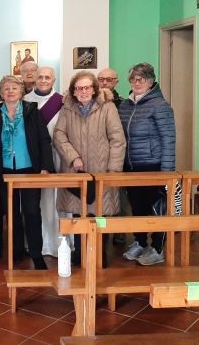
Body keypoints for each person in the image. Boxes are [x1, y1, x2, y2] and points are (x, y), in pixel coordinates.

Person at [0, 75, 54, 269]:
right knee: (11, 213)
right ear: (1, 93)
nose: (10, 91)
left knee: (31, 211)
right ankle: (16, 251)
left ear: (22, 92)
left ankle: (36, 253)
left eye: (14, 88)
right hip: (4, 170)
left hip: (30, 169)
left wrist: (46, 167)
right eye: (6, 88)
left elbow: (44, 140)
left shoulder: (32, 111)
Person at [54, 71, 126, 265]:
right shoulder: (67, 109)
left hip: (101, 171)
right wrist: (73, 157)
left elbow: (117, 140)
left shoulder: (107, 107)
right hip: (76, 171)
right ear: (74, 92)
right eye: (79, 88)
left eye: (87, 87)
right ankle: (79, 254)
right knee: (78, 213)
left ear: (94, 89)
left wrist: (113, 170)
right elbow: (59, 136)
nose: (83, 91)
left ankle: (99, 255)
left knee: (99, 214)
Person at [119, 62, 176, 266]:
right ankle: (140, 242)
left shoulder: (160, 105)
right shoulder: (125, 105)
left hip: (153, 165)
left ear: (150, 81)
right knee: (137, 206)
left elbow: (168, 138)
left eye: (141, 79)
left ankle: (158, 248)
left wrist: (167, 172)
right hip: (131, 165)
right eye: (133, 79)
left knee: (157, 208)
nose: (136, 82)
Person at [24, 66, 63, 256]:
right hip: (32, 157)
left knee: (56, 200)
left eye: (48, 77)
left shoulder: (63, 101)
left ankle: (58, 243)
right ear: (34, 79)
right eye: (40, 77)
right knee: (35, 202)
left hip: (57, 155)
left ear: (54, 80)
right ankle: (39, 243)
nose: (44, 80)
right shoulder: (25, 100)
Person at [97, 67, 128, 245]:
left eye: (109, 79)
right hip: (97, 157)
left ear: (116, 82)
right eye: (101, 79)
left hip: (118, 155)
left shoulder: (123, 103)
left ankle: (119, 231)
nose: (105, 83)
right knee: (101, 197)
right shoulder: (91, 101)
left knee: (119, 196)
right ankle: (102, 230)